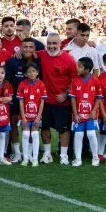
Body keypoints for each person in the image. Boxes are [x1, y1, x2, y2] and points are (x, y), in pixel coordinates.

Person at [39, 34, 77, 165]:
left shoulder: (69, 59)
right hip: (45, 101)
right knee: (44, 127)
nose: (51, 46)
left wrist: (65, 94)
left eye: (54, 43)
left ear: (60, 44)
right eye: (49, 43)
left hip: (63, 102)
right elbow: (29, 50)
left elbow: (74, 80)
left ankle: (64, 155)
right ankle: (47, 154)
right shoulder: (42, 55)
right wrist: (19, 51)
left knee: (64, 129)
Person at [69, 58, 102, 167]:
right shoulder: (75, 80)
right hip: (79, 114)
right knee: (78, 135)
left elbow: (98, 98)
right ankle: (78, 159)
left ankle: (95, 157)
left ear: (87, 69)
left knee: (91, 134)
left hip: (91, 115)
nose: (77, 68)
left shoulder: (96, 80)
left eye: (79, 66)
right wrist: (75, 113)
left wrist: (94, 111)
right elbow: (73, 98)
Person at [16, 63, 46, 166]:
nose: (31, 73)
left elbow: (42, 102)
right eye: (29, 71)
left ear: (37, 72)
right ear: (25, 74)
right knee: (25, 135)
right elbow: (21, 102)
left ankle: (35, 159)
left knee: (34, 134)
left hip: (36, 117)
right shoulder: (22, 84)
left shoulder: (41, 84)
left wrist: (38, 117)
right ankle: (25, 158)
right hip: (25, 116)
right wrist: (23, 117)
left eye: (33, 71)